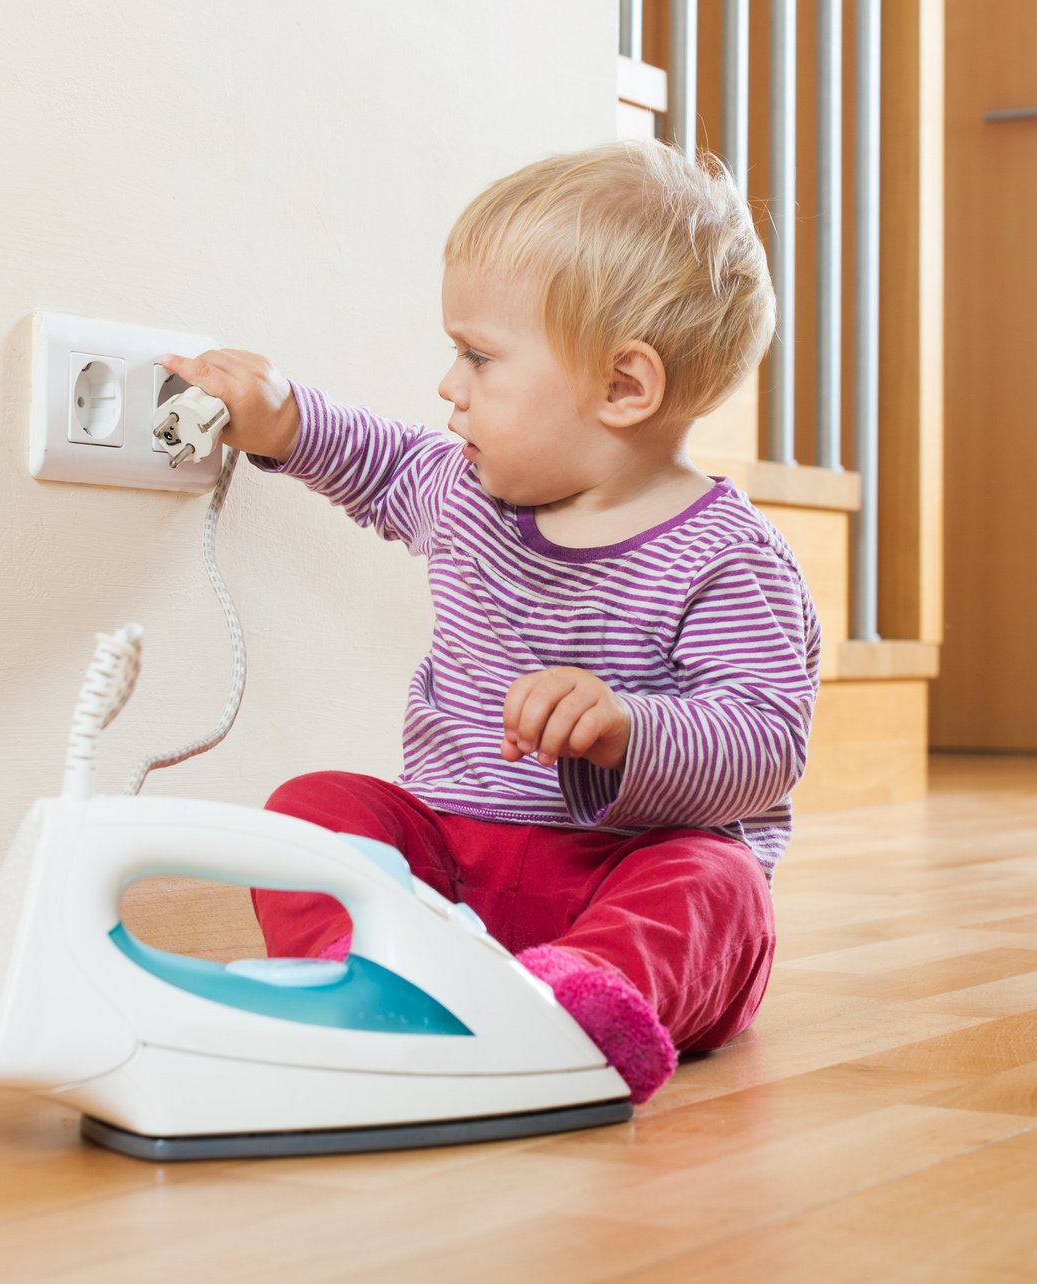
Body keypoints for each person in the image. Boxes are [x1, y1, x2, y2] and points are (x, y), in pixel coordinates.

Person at [158, 139, 815, 1104]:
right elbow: (377, 460)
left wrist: (628, 725)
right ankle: (368, 980)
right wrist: (281, 416)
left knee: (716, 884)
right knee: (314, 807)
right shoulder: (465, 493)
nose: (447, 385)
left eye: (477, 356)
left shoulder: (727, 559)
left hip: (622, 878)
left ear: (623, 387)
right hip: (455, 870)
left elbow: (765, 742)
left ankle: (580, 1009)